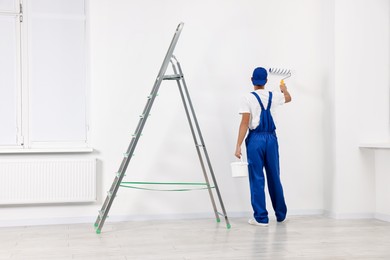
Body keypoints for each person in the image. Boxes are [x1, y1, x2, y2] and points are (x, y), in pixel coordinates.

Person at [235, 67, 291, 226]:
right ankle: (281, 215)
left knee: (257, 178)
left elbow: (245, 123)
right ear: (266, 81)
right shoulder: (274, 96)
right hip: (271, 139)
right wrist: (284, 89)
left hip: (255, 141)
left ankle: (261, 218)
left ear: (252, 80)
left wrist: (238, 145)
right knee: (274, 175)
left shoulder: (246, 98)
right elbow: (288, 98)